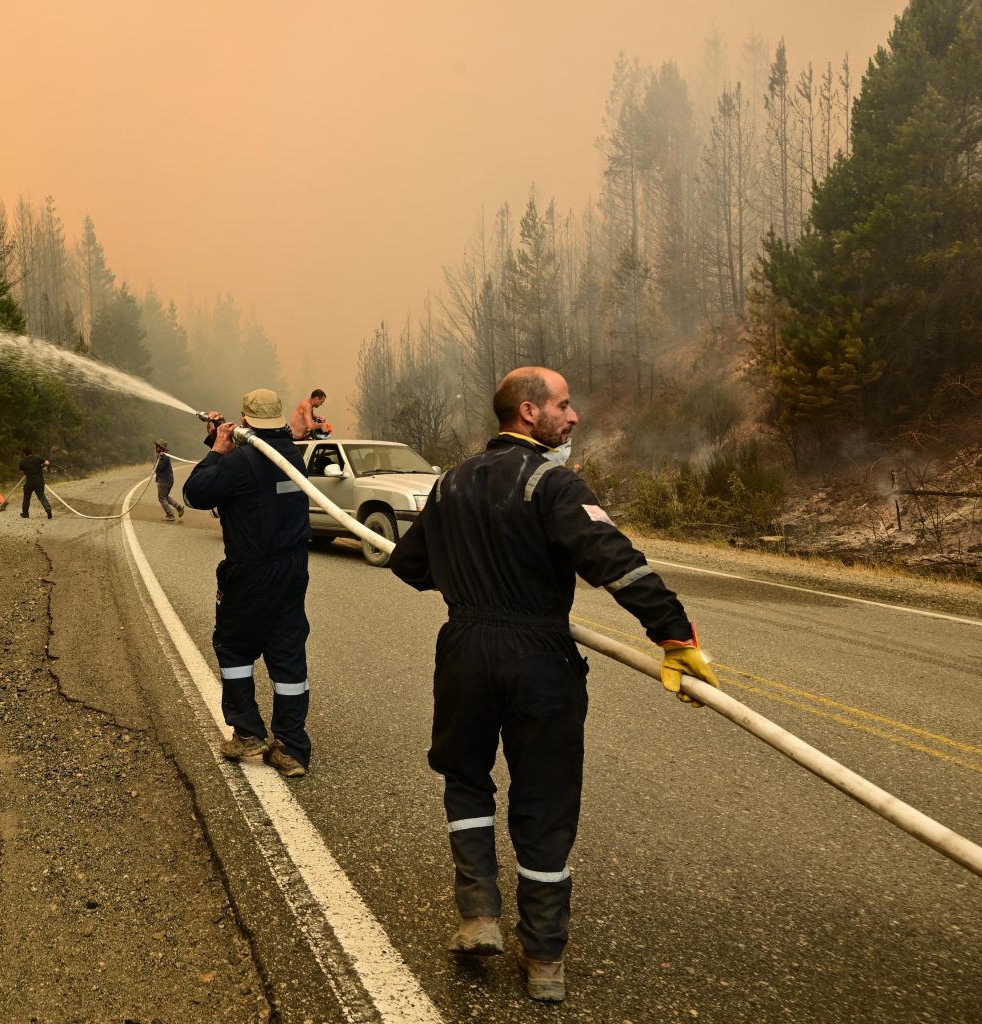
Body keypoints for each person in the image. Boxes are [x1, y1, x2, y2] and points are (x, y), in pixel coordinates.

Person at [387, 366, 720, 1004]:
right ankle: (543, 957)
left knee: (465, 775)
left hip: (464, 650)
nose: (574, 417)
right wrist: (675, 636)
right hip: (539, 657)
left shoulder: (451, 481)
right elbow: (616, 563)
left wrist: (471, 577)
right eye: (563, 405)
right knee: (545, 797)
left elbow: (410, 565)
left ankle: (479, 914)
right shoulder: (553, 482)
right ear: (528, 412)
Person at [184, 389, 314, 779]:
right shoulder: (291, 455)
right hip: (292, 571)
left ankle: (247, 733)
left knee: (235, 648)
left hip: (250, 573)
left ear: (244, 420)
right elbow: (255, 480)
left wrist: (216, 450)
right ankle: (290, 747)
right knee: (287, 651)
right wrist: (224, 443)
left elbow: (195, 493)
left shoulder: (238, 461)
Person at [153, 440, 185, 522]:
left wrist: (160, 458)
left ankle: (170, 515)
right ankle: (178, 507)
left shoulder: (164, 457)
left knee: (161, 498)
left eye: (158, 446)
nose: (156, 447)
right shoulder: (162, 457)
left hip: (164, 481)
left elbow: (160, 467)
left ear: (161, 448)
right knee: (165, 496)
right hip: (168, 480)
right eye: (156, 446)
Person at [18, 448, 52, 519]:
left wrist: (27, 470)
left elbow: (21, 472)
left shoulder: (22, 461)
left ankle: (25, 514)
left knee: (26, 498)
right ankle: (47, 507)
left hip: (29, 483)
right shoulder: (37, 458)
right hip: (39, 482)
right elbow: (47, 463)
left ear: (24, 453)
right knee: (41, 496)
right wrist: (41, 466)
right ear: (31, 452)